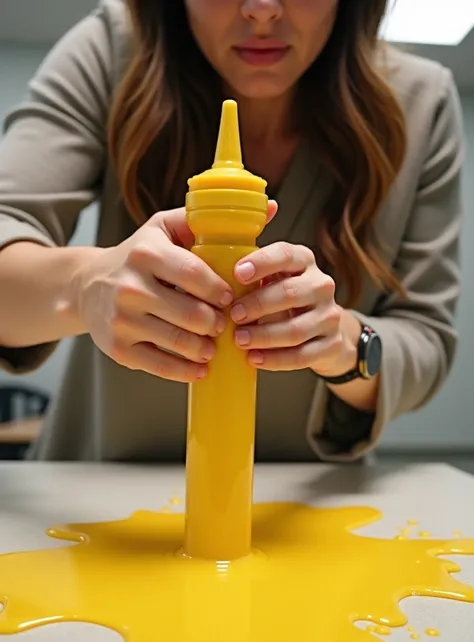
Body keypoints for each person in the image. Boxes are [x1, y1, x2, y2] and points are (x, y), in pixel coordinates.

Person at [0, 0, 464, 463]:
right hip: (89, 500)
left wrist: (345, 342)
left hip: (307, 509)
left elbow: (426, 339)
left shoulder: (422, 102)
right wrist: (83, 287)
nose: (262, 12)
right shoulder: (111, 49)